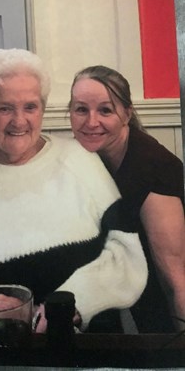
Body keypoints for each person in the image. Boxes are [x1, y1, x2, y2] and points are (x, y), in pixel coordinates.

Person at [0, 48, 148, 332]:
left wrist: (75, 302)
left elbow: (124, 251)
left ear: (42, 109)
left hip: (64, 344)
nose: (19, 121)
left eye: (30, 107)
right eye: (4, 108)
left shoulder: (80, 161)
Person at [69, 65, 185, 333]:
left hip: (164, 310)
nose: (91, 122)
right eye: (81, 109)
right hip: (128, 298)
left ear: (126, 114)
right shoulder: (88, 156)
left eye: (105, 110)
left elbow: (175, 279)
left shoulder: (153, 167)